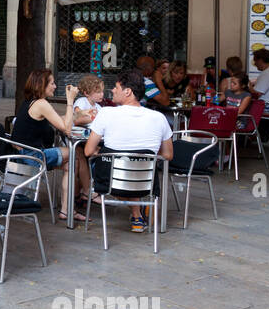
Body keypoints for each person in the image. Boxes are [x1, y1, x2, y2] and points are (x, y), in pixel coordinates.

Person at [84, 68, 173, 233]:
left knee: (112, 167)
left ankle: (136, 213)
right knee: (133, 171)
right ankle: (137, 212)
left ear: (128, 91)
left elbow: (88, 151)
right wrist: (143, 156)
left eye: (116, 87)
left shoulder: (106, 113)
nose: (112, 90)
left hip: (110, 183)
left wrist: (104, 152)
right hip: (145, 183)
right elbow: (168, 155)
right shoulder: (159, 118)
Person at [10, 69, 86, 221]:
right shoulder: (41, 103)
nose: (55, 86)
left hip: (22, 154)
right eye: (51, 83)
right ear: (41, 85)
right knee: (76, 155)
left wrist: (77, 115)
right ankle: (72, 205)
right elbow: (67, 129)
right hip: (32, 157)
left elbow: (58, 121)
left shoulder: (31, 102)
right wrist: (70, 100)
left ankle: (68, 209)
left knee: (70, 164)